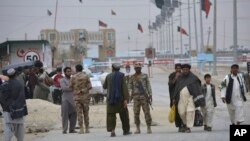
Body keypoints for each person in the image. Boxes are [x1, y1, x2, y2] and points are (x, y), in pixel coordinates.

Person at [172, 64, 205, 133]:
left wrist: (200, 100)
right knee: (181, 112)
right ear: (182, 70)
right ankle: (184, 123)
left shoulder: (193, 78)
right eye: (183, 70)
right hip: (181, 99)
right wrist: (174, 98)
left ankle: (188, 127)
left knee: (190, 112)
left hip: (191, 98)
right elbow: (176, 88)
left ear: (189, 70)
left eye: (186, 69)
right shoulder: (179, 78)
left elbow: (198, 89)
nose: (185, 71)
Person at [103, 63, 131, 137]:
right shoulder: (122, 76)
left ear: (112, 68)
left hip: (110, 100)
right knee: (124, 115)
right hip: (120, 100)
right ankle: (125, 131)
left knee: (111, 116)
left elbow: (104, 86)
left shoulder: (108, 76)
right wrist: (126, 99)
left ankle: (112, 131)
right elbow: (124, 88)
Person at [0, 68, 28, 141]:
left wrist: (6, 108)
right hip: (19, 110)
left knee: (8, 129)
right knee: (20, 130)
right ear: (15, 75)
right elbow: (22, 98)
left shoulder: (4, 85)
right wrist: (23, 109)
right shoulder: (20, 84)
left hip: (8, 111)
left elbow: (2, 99)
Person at [128, 62, 152, 134]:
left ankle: (148, 127)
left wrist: (150, 94)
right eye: (136, 68)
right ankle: (137, 128)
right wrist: (130, 95)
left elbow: (148, 85)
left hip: (144, 96)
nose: (137, 69)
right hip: (136, 97)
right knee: (136, 113)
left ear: (141, 68)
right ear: (134, 69)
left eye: (138, 68)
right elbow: (129, 87)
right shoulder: (132, 77)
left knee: (147, 112)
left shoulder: (145, 76)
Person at [69, 64, 92, 134]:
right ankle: (87, 128)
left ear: (76, 69)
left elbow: (70, 87)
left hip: (77, 98)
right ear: (82, 69)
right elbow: (90, 87)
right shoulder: (86, 76)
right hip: (85, 98)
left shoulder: (73, 77)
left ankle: (81, 129)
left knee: (79, 113)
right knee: (86, 113)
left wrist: (76, 90)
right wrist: (83, 90)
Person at [168, 63, 185, 132]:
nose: (178, 69)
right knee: (177, 112)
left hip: (183, 96)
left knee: (183, 111)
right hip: (174, 96)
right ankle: (179, 126)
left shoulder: (184, 75)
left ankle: (184, 124)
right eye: (177, 68)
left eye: (179, 68)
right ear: (175, 69)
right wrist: (176, 77)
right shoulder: (172, 75)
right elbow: (170, 84)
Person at [60, 67, 77, 134]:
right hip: (65, 99)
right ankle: (64, 130)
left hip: (73, 99)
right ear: (65, 72)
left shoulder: (73, 79)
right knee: (65, 115)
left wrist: (71, 87)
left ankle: (72, 129)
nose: (69, 72)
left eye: (70, 71)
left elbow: (76, 87)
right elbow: (64, 88)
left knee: (74, 114)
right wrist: (72, 88)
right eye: (68, 71)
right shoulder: (62, 80)